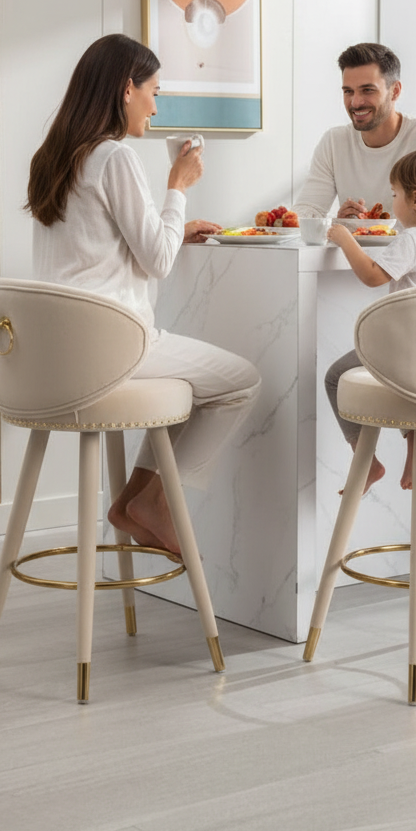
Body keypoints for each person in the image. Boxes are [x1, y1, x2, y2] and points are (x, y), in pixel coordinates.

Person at [27, 33, 261, 555]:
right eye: (155, 90)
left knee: (223, 380)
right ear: (126, 89)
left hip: (54, 355)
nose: (158, 105)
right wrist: (177, 186)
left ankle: (135, 501)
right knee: (241, 382)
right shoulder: (115, 157)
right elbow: (156, 260)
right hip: (110, 346)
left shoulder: (55, 157)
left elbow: (103, 247)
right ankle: (147, 499)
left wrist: (172, 224)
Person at [325, 148, 416, 492]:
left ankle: (367, 461)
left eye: (395, 195)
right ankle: (415, 455)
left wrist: (345, 238)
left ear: (415, 199)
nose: (393, 204)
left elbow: (373, 275)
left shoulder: (414, 238)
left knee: (335, 377)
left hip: (408, 357)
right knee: (412, 389)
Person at [295, 42, 416, 220]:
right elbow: (306, 212)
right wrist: (338, 223)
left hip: (412, 248)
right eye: (348, 91)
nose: (355, 102)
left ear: (395, 91)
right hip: (351, 248)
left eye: (367, 90)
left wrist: (373, 230)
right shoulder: (334, 142)